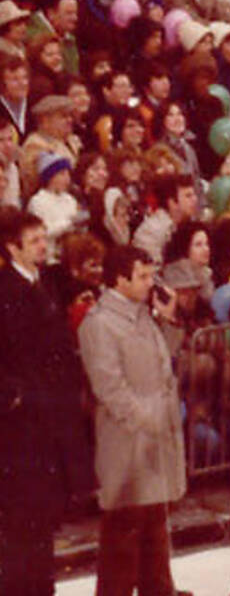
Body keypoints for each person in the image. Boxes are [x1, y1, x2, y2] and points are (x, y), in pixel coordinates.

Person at [79, 243, 189, 596]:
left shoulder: (143, 314)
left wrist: (168, 319)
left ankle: (159, 591)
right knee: (123, 541)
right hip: (128, 444)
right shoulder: (100, 324)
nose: (149, 283)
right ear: (119, 279)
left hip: (153, 442)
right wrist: (149, 419)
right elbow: (109, 387)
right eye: (141, 277)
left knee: (154, 534)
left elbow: (164, 360)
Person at [0, 209, 92, 596]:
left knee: (44, 516)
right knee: (22, 519)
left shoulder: (46, 283)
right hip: (21, 427)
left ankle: (41, 585)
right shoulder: (6, 291)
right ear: (12, 247)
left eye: (43, 237)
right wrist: (16, 396)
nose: (43, 246)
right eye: (34, 240)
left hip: (51, 419)